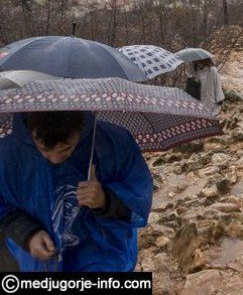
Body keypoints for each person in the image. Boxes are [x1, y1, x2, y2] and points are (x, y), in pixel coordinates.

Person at [0, 111, 152, 271]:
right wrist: (27, 234)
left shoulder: (113, 142)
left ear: (80, 128)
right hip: (39, 260)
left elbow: (140, 196)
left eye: (66, 149)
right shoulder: (7, 156)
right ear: (31, 132)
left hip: (103, 255)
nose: (56, 159)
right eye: (44, 150)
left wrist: (105, 200)